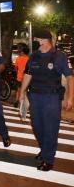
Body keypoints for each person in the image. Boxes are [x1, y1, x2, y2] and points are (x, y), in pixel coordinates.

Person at [18, 29, 73, 171]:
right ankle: (45, 149)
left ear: (45, 40)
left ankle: (48, 159)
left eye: (38, 39)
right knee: (37, 127)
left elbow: (69, 77)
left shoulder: (59, 56)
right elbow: (28, 74)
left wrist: (70, 98)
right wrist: (22, 92)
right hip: (35, 96)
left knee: (50, 129)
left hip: (52, 98)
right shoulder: (34, 56)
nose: (37, 41)